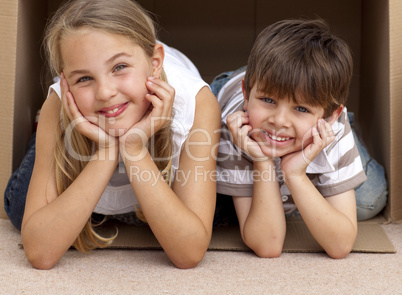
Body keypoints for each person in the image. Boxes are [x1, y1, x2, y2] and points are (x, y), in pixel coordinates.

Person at [5, 0, 220, 269]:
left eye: (119, 67)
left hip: (162, 170)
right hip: (82, 142)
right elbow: (39, 252)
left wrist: (133, 149)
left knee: (218, 208)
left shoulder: (196, 103)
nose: (105, 92)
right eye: (84, 78)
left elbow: (189, 253)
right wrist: (107, 152)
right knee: (21, 206)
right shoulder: (59, 103)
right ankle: (44, 138)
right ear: (66, 83)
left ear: (155, 63)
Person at [211, 19, 387, 259]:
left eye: (301, 109)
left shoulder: (331, 127)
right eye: (268, 101)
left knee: (369, 200)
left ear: (332, 116)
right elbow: (267, 245)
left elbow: (340, 245)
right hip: (245, 88)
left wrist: (294, 174)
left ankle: (344, 130)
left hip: (312, 119)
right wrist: (261, 161)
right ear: (246, 93)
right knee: (221, 210)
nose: (279, 120)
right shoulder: (236, 128)